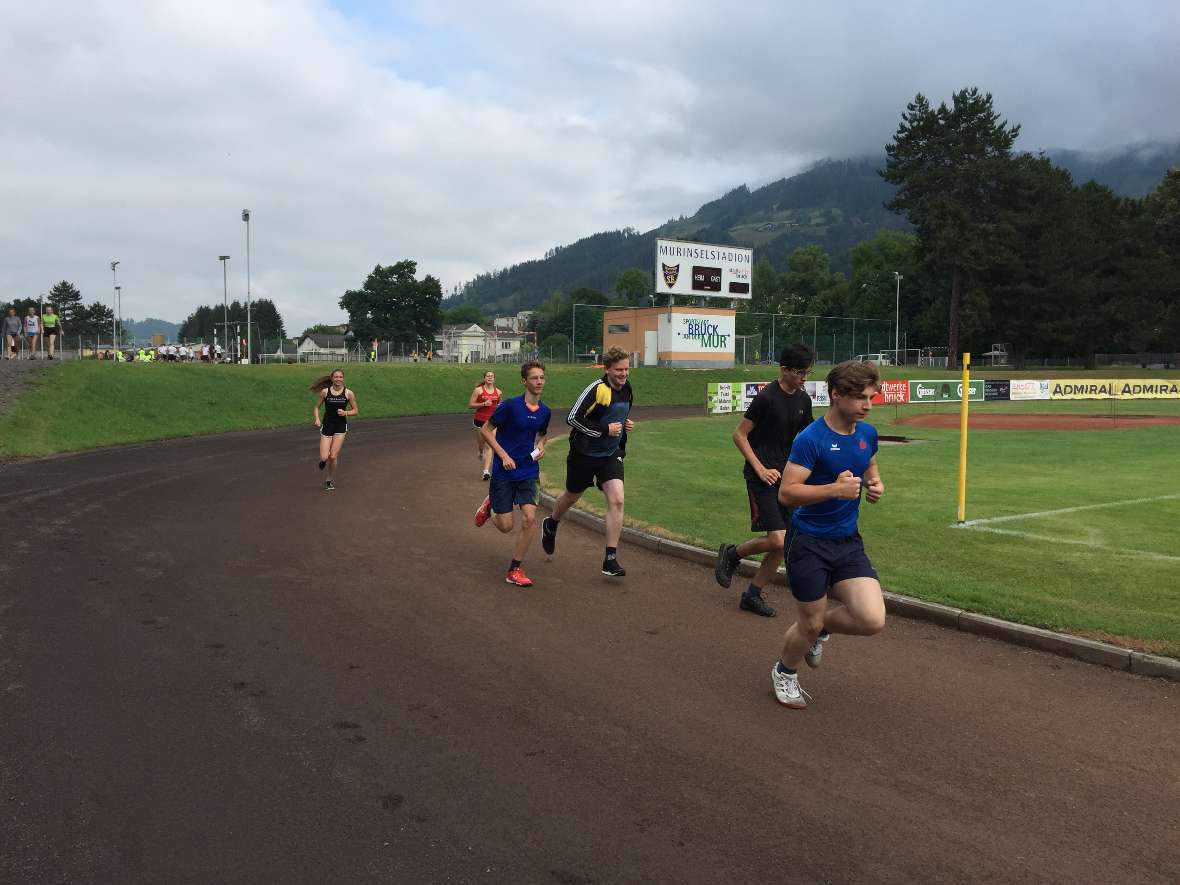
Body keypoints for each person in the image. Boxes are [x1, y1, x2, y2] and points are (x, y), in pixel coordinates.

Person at [770, 360, 887, 710]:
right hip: (808, 543)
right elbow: (787, 493)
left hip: (848, 542)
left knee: (871, 619)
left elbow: (869, 467)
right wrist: (833, 490)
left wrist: (875, 484)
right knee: (808, 621)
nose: (868, 404)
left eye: (871, 397)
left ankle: (821, 630)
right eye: (861, 398)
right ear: (836, 396)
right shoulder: (812, 439)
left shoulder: (867, 434)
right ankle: (785, 671)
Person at [714, 344, 816, 617]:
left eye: (807, 373)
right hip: (760, 477)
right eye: (800, 372)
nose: (804, 378)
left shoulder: (803, 401)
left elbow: (809, 439)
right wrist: (760, 469)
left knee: (786, 540)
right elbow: (739, 435)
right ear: (784, 369)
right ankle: (733, 553)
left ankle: (752, 594)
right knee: (779, 540)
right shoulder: (766, 398)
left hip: (787, 478)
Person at [540, 345, 634, 578]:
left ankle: (610, 558)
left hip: (610, 455)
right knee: (572, 495)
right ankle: (551, 523)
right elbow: (572, 418)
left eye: (626, 369)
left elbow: (617, 417)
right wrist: (604, 429)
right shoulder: (596, 389)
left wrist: (625, 425)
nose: (624, 374)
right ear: (607, 369)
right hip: (584, 454)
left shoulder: (627, 389)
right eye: (619, 370)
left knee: (618, 500)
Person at [473, 361, 550, 587]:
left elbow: (542, 435)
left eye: (542, 378)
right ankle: (491, 507)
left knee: (529, 518)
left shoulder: (545, 411)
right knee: (506, 526)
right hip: (504, 472)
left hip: (528, 470)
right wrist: (503, 455)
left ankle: (514, 569)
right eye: (534, 378)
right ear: (524, 381)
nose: (539, 382)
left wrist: (542, 447)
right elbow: (486, 430)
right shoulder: (510, 406)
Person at [311, 369, 358, 491]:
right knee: (324, 457)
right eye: (336, 377)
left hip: (340, 426)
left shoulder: (348, 393)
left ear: (343, 378)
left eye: (340, 377)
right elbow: (317, 407)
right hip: (327, 425)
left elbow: (355, 411)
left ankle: (329, 480)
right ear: (332, 379)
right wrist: (317, 419)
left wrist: (346, 412)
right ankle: (323, 461)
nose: (338, 379)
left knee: (333, 456)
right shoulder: (325, 392)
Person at [468, 370, 503, 480]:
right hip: (479, 420)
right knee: (482, 443)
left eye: (491, 376)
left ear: (494, 379)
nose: (489, 377)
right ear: (484, 378)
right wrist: (483, 403)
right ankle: (480, 450)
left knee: (490, 445)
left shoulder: (498, 392)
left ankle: (486, 471)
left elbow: (499, 405)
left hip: (492, 422)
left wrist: (500, 407)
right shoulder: (478, 390)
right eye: (488, 376)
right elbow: (470, 405)